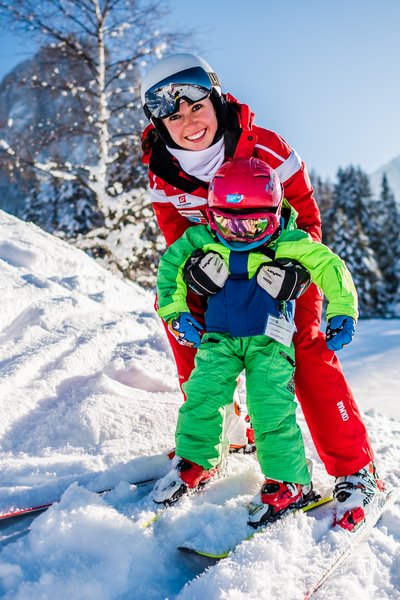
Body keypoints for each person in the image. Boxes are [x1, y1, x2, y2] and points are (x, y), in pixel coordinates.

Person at [140, 53, 383, 528]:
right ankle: (214, 441)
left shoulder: (266, 149)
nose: (189, 123)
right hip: (221, 267)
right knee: (186, 323)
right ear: (160, 124)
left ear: (214, 97)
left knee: (306, 346)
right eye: (173, 116)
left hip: (284, 265)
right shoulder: (162, 170)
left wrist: (293, 272)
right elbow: (176, 239)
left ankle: (356, 469)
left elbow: (307, 221)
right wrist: (196, 279)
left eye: (196, 107)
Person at [153, 157, 367, 528]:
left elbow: (330, 267)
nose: (240, 234)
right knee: (202, 395)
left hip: (270, 343)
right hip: (218, 339)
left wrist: (342, 310)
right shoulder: (203, 238)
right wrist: (175, 312)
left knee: (270, 406)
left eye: (254, 224)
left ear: (274, 212)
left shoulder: (290, 242)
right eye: (228, 223)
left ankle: (290, 480)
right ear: (213, 214)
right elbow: (170, 266)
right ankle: (196, 460)